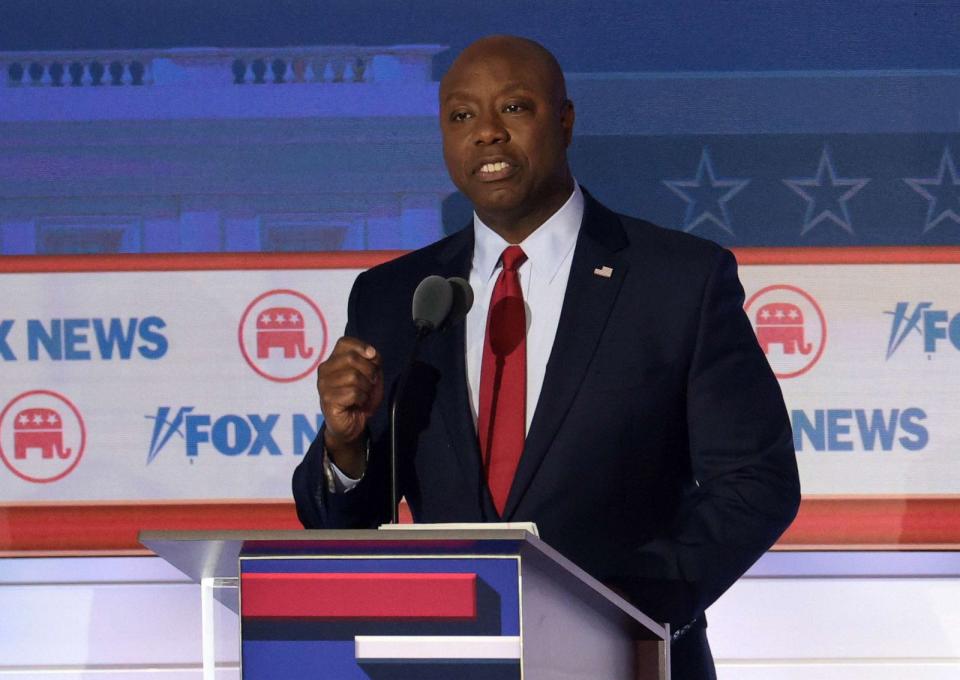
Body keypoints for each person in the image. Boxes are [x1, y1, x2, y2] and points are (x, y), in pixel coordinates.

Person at [293, 35, 800, 680]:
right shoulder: (395, 298)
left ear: (564, 119)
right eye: (461, 116)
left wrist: (627, 607)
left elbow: (757, 482)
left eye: (513, 108)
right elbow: (342, 522)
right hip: (445, 660)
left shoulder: (678, 281)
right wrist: (344, 448)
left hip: (627, 659)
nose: (486, 135)